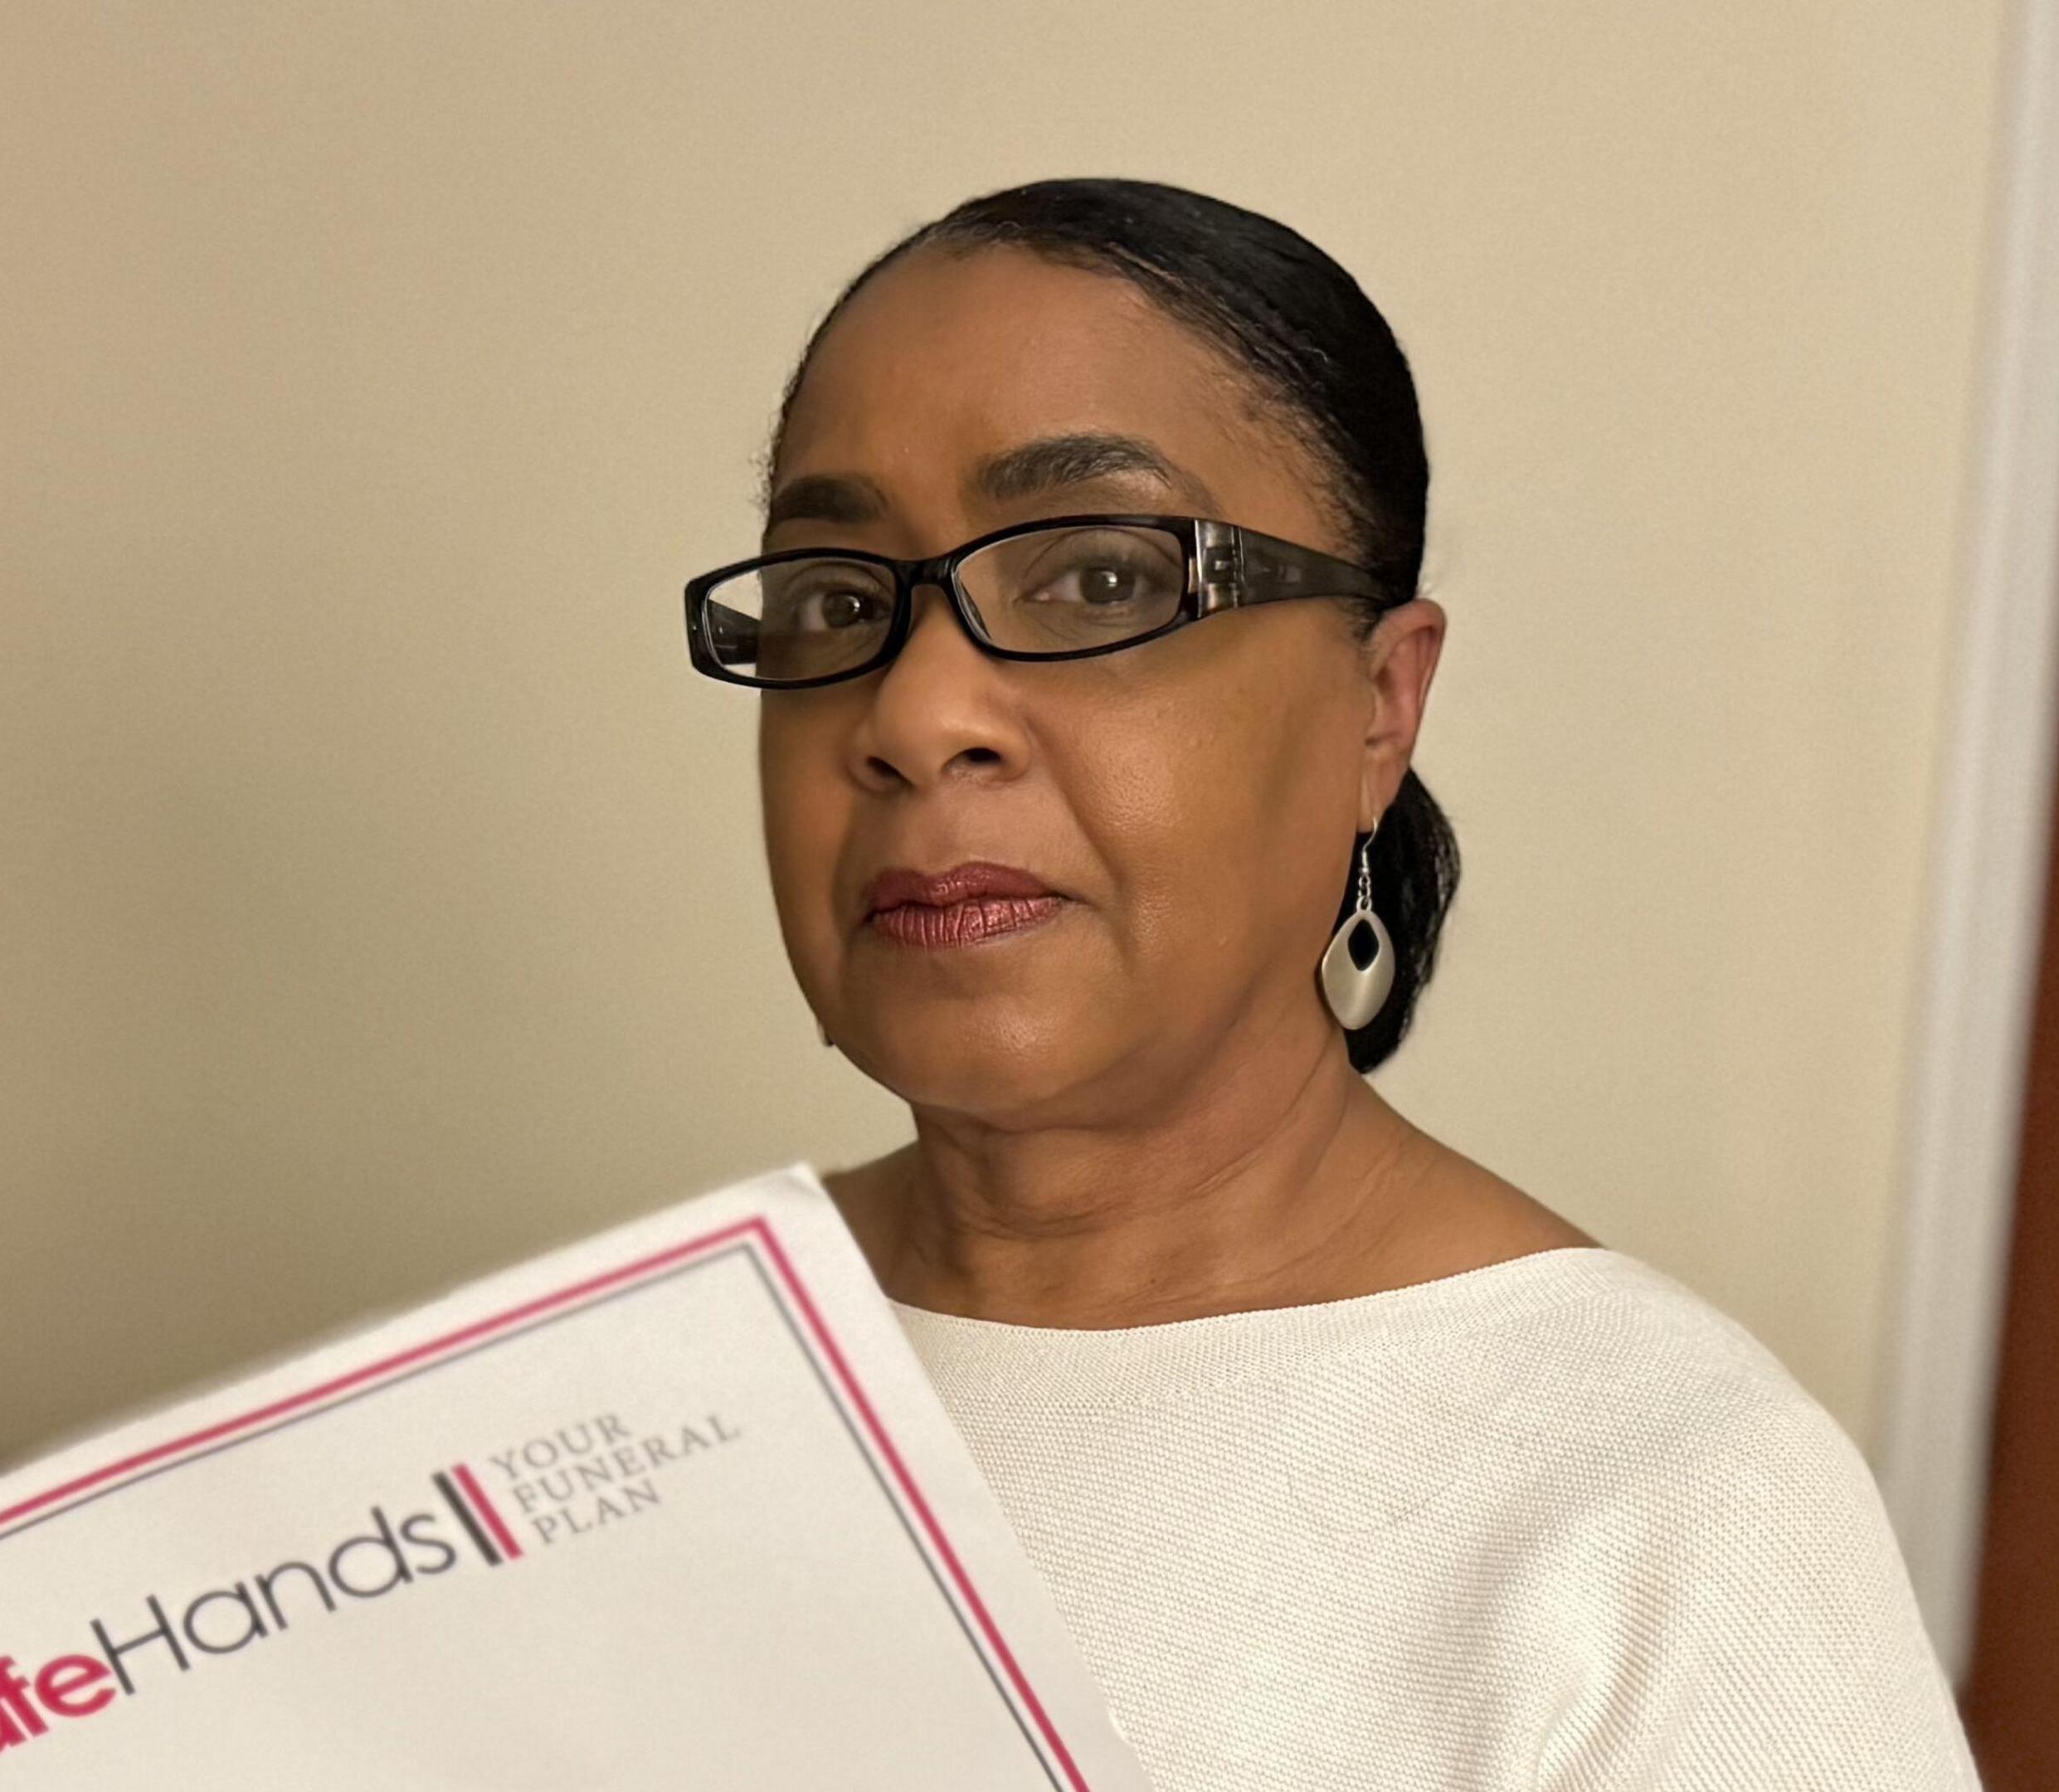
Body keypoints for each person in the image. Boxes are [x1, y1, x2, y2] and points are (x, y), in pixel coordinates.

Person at [680, 176, 1976, 1790]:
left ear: (1380, 706)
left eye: (1100, 580)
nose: (918, 709)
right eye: (833, 602)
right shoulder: (651, 1378)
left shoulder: (1661, 1495)